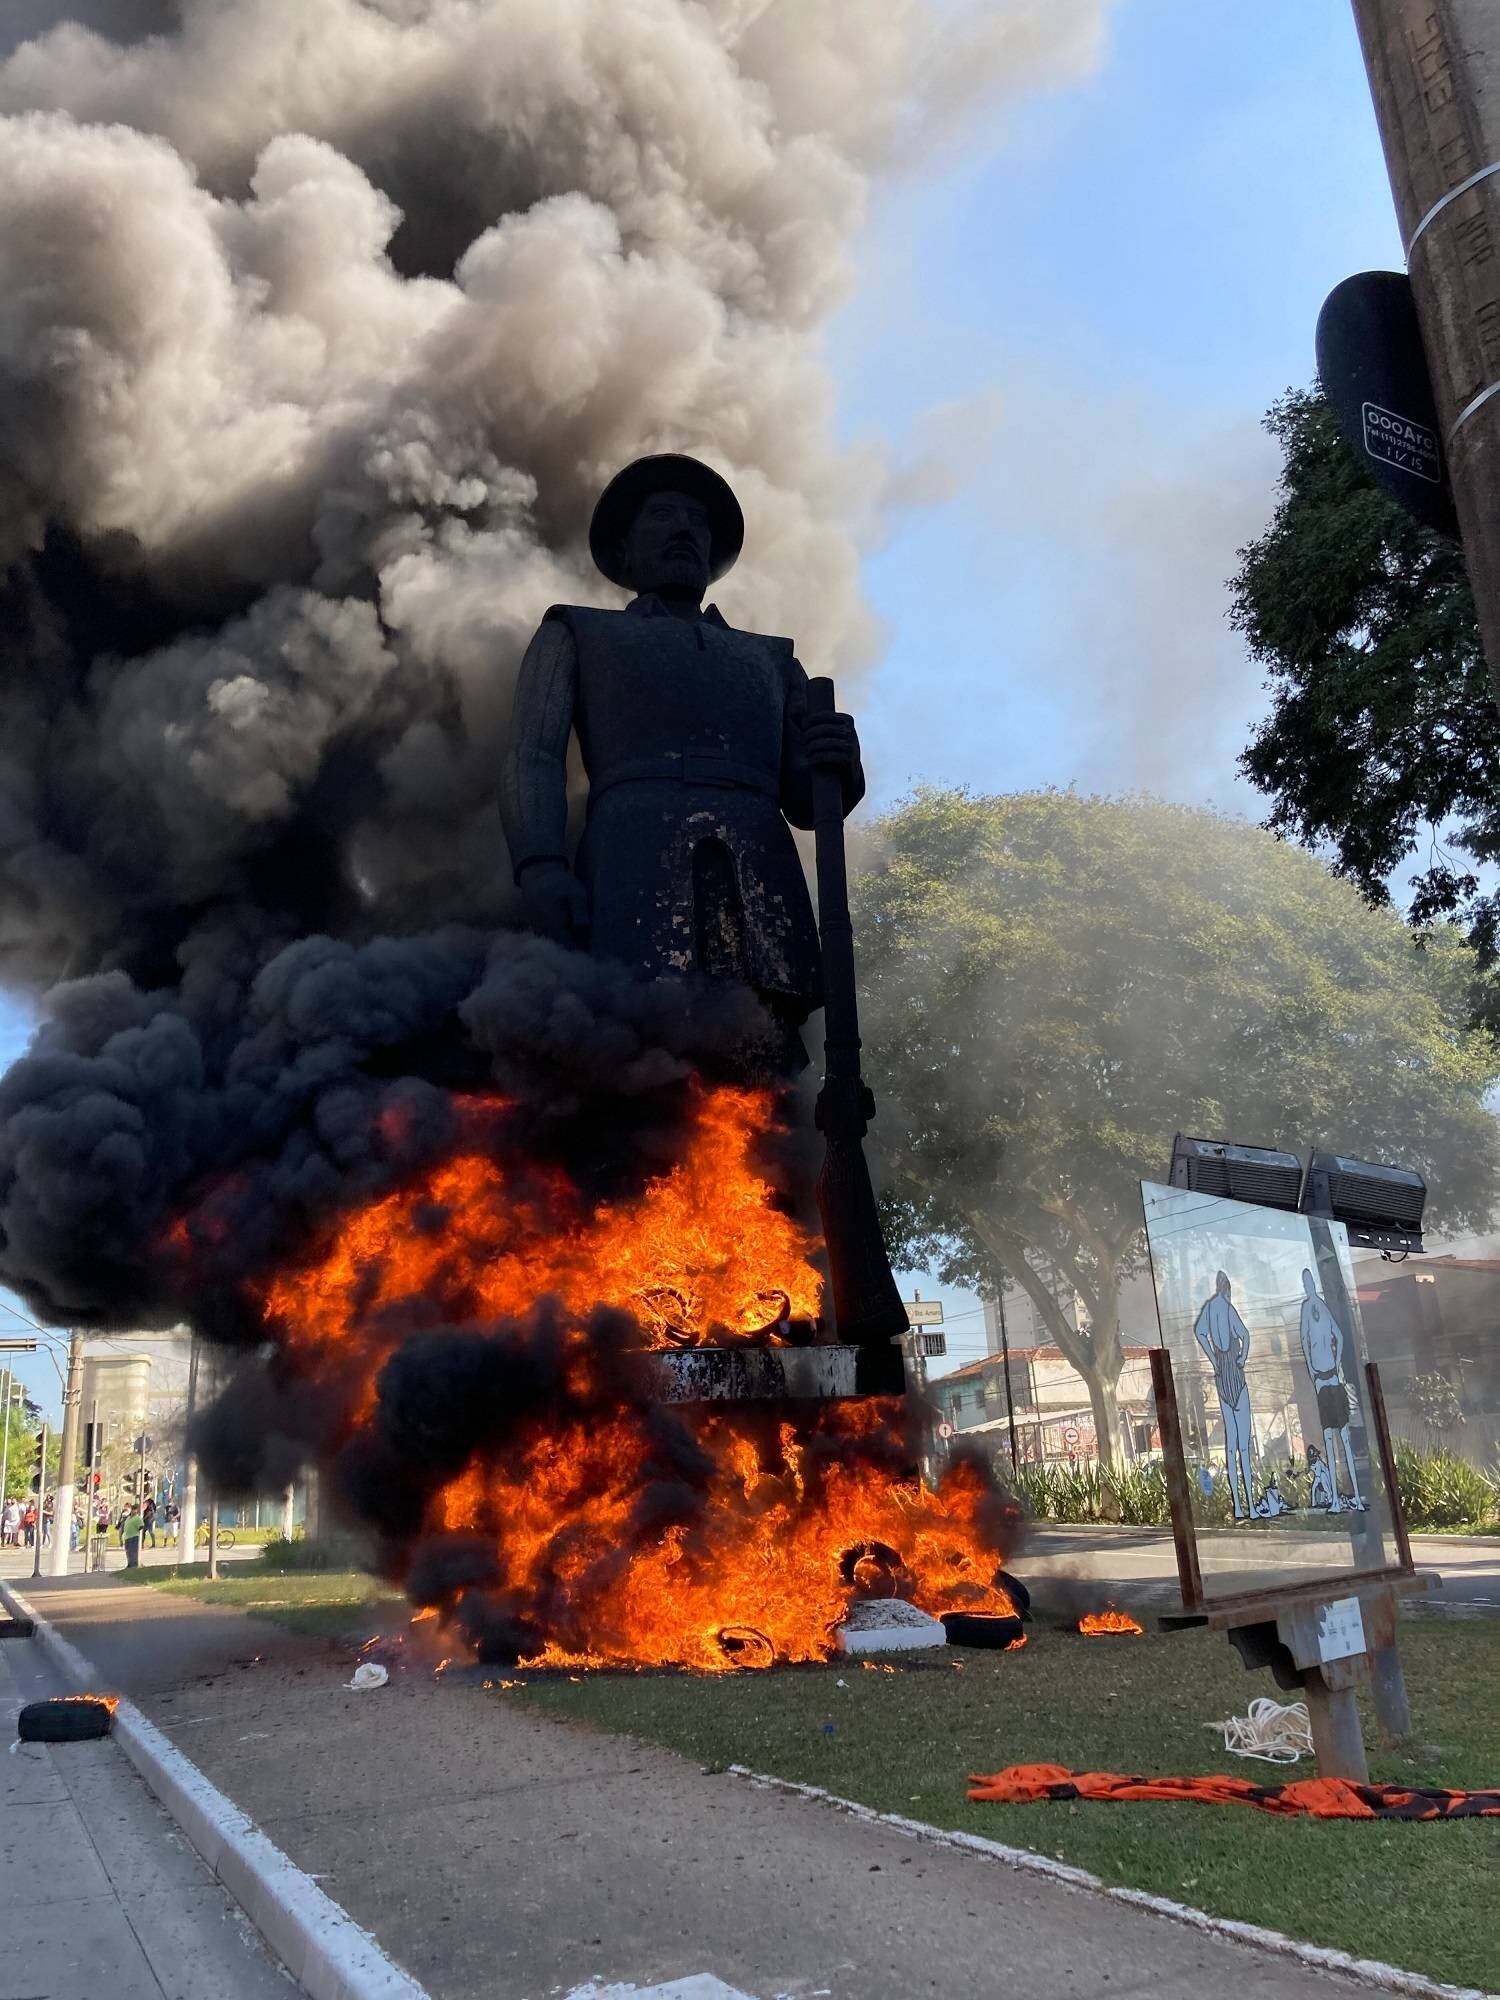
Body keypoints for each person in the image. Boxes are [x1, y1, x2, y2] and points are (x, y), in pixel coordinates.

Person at [501, 455, 864, 1068]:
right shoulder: (579, 633)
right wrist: (540, 863)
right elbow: (533, 754)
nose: (686, 530)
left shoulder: (770, 660)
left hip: (756, 868)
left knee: (760, 1060)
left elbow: (807, 798)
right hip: (632, 859)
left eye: (698, 521)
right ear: (625, 547)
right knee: (630, 1048)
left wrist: (841, 765)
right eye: (664, 515)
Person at [1192, 1269, 1258, 1521]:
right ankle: (1250, 1506)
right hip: (1234, 1374)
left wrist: (1212, 1358)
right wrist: (1241, 1357)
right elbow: (1246, 1335)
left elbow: (1200, 1333)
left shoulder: (1208, 1308)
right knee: (1244, 1445)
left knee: (1231, 1447)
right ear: (1227, 1290)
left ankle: (1239, 1507)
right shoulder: (1227, 1307)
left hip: (1221, 1374)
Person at [1299, 1268, 1364, 1510]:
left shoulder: (1322, 1307)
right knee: (1328, 1439)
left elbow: (1339, 1334)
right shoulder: (1306, 1309)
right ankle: (1336, 1499)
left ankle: (1355, 1494)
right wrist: (1313, 1374)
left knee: (1344, 1437)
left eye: (1309, 1281)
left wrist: (1336, 1364)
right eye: (1305, 1283)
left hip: (1333, 1378)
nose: (1308, 1286)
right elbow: (1305, 1343)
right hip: (1322, 1380)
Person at [120, 1502, 145, 1569]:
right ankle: (130, 1563)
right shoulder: (128, 1518)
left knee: (133, 1551)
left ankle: (135, 1564)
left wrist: (136, 1529)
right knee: (128, 1551)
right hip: (127, 1537)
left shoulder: (137, 1518)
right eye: (132, 1509)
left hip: (134, 1536)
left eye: (135, 1509)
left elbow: (141, 1526)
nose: (133, 1510)